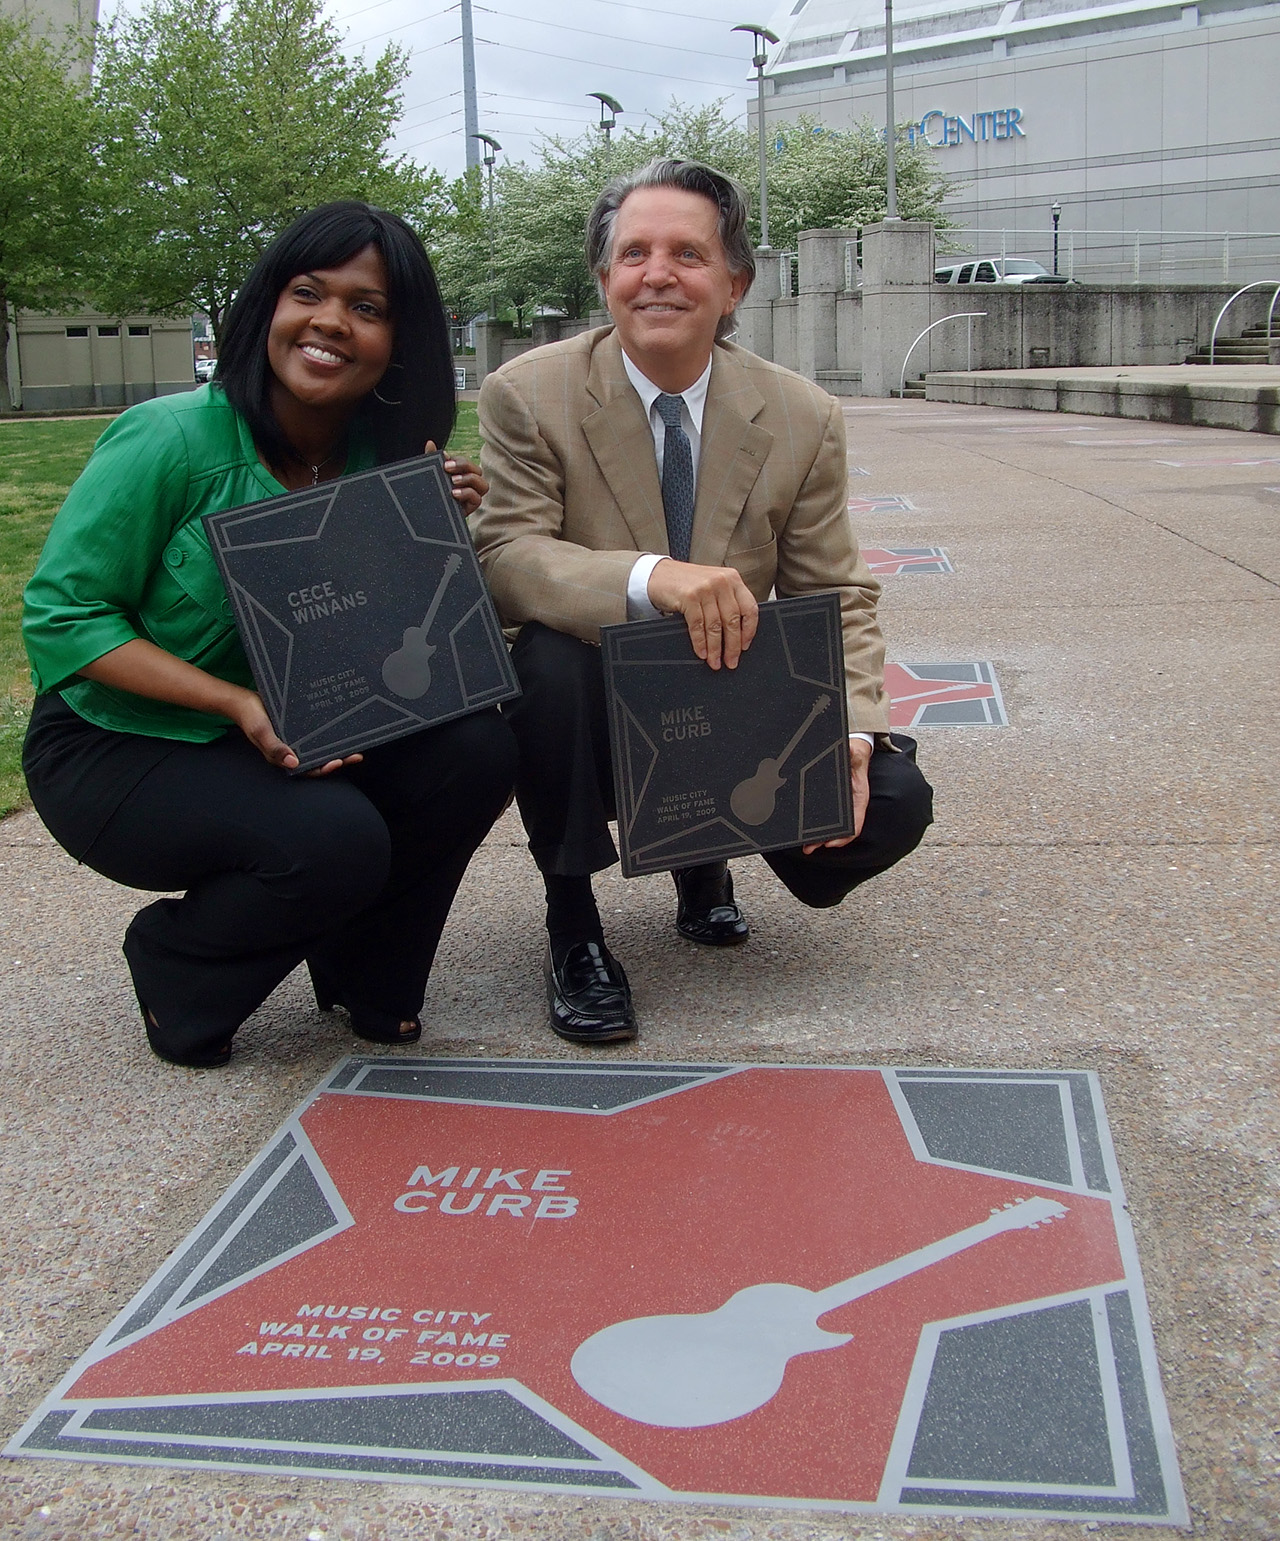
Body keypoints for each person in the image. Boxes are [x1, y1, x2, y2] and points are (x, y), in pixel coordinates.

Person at [22, 201, 518, 1068]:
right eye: (308, 292)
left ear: (398, 342)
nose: (331, 322)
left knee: (477, 746)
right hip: (117, 739)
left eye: (367, 308)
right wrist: (239, 703)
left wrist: (433, 531)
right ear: (267, 307)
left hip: (296, 724)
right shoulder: (171, 438)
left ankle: (369, 969)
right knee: (333, 838)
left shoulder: (387, 459)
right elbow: (62, 619)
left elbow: (405, 649)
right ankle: (179, 966)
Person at [473, 159, 933, 1046]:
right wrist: (654, 576)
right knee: (549, 660)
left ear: (735, 285)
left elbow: (836, 589)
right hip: (596, 708)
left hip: (728, 701)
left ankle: (702, 856)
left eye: (688, 253)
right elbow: (508, 558)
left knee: (894, 802)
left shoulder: (801, 414)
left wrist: (853, 732)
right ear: (604, 278)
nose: (657, 274)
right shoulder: (527, 394)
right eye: (633, 252)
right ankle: (572, 927)